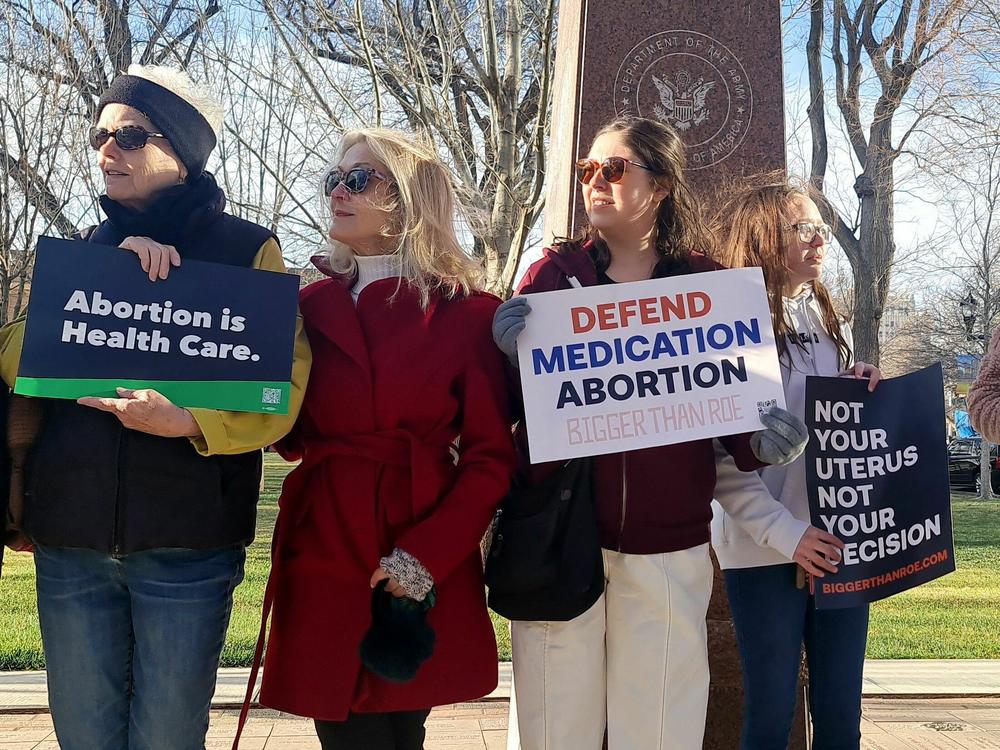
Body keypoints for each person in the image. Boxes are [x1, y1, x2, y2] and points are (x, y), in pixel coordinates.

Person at [0, 64, 311, 750]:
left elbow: (280, 390)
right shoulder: (85, 246)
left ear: (181, 151)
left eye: (130, 135)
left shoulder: (248, 250)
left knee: (167, 740)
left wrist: (191, 422)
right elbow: (15, 360)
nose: (107, 151)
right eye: (100, 136)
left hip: (187, 547)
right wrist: (109, 268)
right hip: (71, 542)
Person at [492, 116, 811, 750]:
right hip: (559, 541)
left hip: (667, 553)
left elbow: (741, 428)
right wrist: (502, 357)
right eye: (587, 170)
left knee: (661, 730)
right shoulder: (550, 277)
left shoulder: (709, 285)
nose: (595, 182)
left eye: (612, 169)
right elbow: (507, 414)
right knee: (555, 731)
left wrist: (774, 440)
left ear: (661, 185)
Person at [255, 128, 515, 750]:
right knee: (345, 726)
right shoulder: (302, 308)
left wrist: (425, 554)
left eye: (359, 179)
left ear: (409, 199)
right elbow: (277, 427)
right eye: (334, 180)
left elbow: (489, 457)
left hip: (416, 533)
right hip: (325, 536)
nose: (337, 193)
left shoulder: (468, 313)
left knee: (402, 726)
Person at [710, 177, 882, 750]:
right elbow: (723, 462)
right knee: (770, 715)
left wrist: (858, 389)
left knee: (840, 718)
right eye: (803, 228)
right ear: (763, 237)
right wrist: (788, 536)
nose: (819, 240)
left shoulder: (822, 319)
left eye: (821, 228)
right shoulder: (731, 327)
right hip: (763, 549)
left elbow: (827, 434)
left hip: (838, 543)